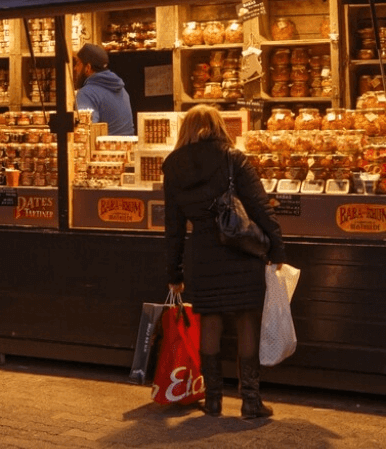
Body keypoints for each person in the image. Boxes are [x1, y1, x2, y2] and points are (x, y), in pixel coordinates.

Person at [162, 105, 287, 419]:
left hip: (202, 253)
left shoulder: (173, 166)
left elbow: (173, 227)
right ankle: (251, 401)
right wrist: (277, 250)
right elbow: (260, 207)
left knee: (211, 321)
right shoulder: (233, 158)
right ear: (219, 126)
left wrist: (174, 271)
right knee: (247, 319)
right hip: (240, 249)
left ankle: (214, 401)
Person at [72, 43, 135, 136]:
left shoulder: (86, 94)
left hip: (105, 149)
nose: (75, 68)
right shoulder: (122, 90)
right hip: (128, 148)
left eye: (78, 63)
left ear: (88, 68)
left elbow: (85, 134)